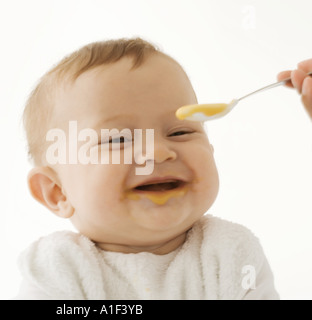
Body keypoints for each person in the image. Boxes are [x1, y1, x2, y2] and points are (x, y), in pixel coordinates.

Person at [16, 38, 312, 299]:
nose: (158, 151)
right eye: (119, 139)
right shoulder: (57, 267)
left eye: (180, 132)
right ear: (57, 193)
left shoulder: (231, 254)